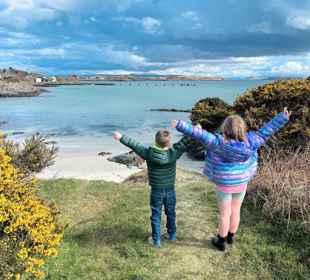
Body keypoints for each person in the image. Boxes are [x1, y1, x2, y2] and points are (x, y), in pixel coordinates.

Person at [171, 108, 291, 251]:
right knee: (236, 211)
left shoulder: (218, 142)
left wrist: (179, 124)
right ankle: (231, 237)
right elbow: (267, 130)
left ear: (224, 129)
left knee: (224, 213)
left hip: (224, 184)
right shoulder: (252, 141)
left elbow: (200, 134)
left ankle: (221, 241)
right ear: (242, 129)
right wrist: (282, 117)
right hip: (241, 182)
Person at [113, 129, 190, 247]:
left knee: (156, 214)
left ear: (155, 141)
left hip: (156, 191)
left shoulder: (149, 152)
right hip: (170, 190)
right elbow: (184, 142)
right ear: (169, 143)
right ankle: (172, 235)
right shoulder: (174, 152)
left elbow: (134, 144)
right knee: (170, 212)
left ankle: (156, 240)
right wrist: (195, 130)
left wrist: (121, 137)